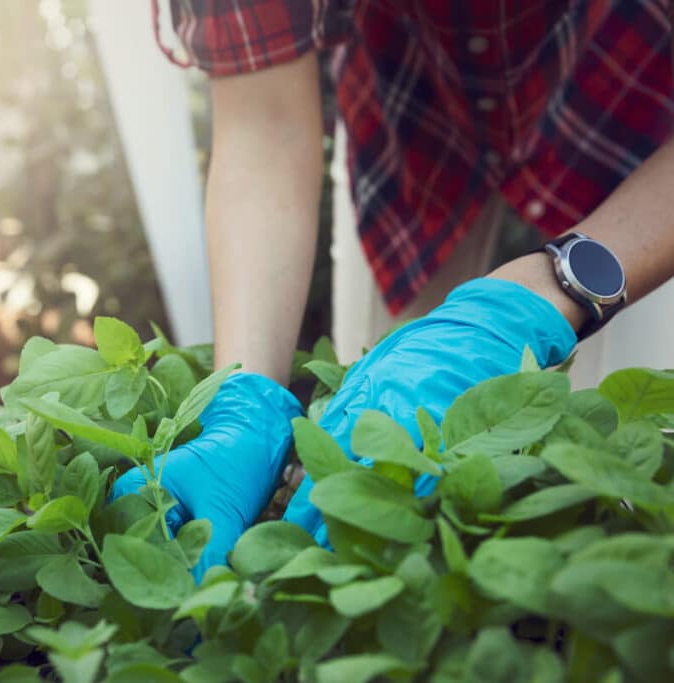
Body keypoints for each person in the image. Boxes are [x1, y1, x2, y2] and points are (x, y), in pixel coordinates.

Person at [113, 0, 674, 578]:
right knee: (382, 417)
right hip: (415, 104)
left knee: (608, 428)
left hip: (628, 83)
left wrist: (558, 284)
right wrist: (244, 401)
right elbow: (265, 122)